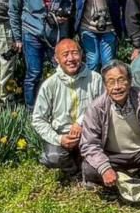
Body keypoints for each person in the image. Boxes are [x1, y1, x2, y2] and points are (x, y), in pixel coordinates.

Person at [80, 61, 140, 193]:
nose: (117, 87)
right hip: (113, 155)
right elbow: (89, 144)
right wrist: (105, 168)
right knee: (89, 168)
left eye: (121, 80)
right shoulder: (96, 107)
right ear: (105, 86)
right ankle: (119, 179)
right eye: (111, 82)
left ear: (130, 81)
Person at [8, 0, 72, 111]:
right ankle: (31, 111)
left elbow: (67, 3)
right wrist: (17, 38)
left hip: (56, 34)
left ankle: (60, 108)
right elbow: (14, 11)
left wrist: (64, 15)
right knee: (34, 74)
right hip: (32, 33)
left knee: (61, 71)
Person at [32, 39, 104, 179]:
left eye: (74, 53)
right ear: (56, 59)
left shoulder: (95, 79)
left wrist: (81, 122)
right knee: (53, 157)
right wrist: (59, 139)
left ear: (81, 54)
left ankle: (86, 165)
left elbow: (102, 108)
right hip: (63, 135)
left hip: (89, 132)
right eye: (65, 55)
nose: (71, 59)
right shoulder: (50, 84)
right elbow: (38, 119)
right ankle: (73, 171)